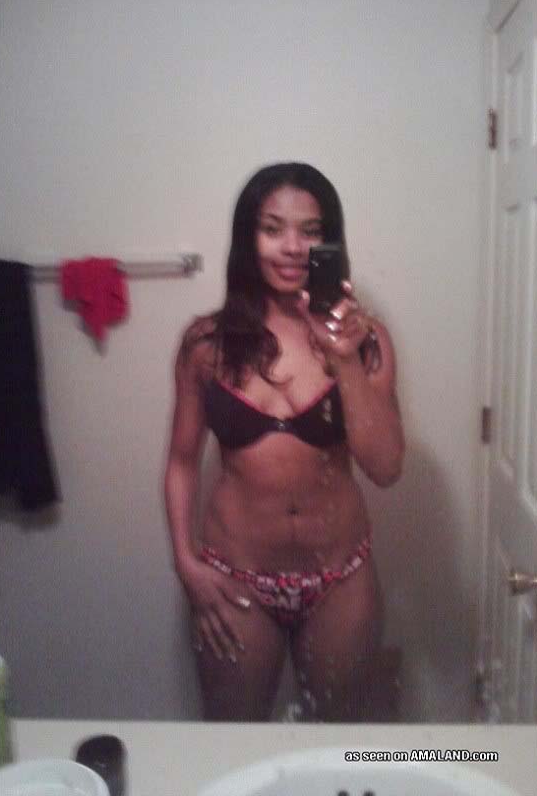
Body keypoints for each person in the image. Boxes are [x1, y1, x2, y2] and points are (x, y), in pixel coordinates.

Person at [164, 162, 404, 721]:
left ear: (330, 241)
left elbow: (386, 467)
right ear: (248, 238)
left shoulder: (366, 341)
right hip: (237, 580)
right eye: (273, 229)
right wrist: (185, 563)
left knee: (339, 742)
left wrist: (344, 359)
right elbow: (180, 463)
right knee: (234, 738)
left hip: (340, 581)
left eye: (310, 231)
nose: (292, 247)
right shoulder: (207, 344)